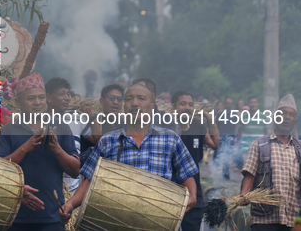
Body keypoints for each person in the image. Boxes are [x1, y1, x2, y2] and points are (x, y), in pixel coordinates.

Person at [60, 83, 198, 224]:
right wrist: (70, 204)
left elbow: (186, 175)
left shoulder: (170, 138)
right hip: (118, 222)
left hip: (159, 222)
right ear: (124, 107)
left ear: (152, 108)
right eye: (130, 99)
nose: (135, 103)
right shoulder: (108, 141)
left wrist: (192, 196)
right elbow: (90, 181)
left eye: (141, 98)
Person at [0, 72, 80, 231]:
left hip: (52, 217)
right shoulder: (8, 130)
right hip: (15, 217)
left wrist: (57, 149)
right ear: (19, 102)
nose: (38, 102)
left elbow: (75, 170)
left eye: (41, 97)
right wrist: (25, 148)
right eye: (31, 98)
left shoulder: (60, 127)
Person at [240, 94, 301, 231]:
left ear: (295, 122)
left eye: (291, 115)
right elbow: (249, 176)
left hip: (293, 219)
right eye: (283, 113)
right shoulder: (259, 145)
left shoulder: (299, 149)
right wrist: (244, 193)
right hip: (264, 218)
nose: (286, 117)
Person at [172, 90, 220, 231]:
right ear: (174, 107)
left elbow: (215, 144)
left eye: (190, 105)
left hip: (194, 189)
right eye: (183, 104)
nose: (187, 107)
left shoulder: (197, 126)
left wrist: (210, 119)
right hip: (171, 187)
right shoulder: (166, 127)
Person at [45, 77, 97, 192]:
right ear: (48, 97)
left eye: (68, 94)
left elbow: (97, 140)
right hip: (50, 187)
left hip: (73, 188)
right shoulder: (39, 121)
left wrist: (91, 116)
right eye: (61, 94)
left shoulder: (76, 117)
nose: (67, 98)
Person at [215, 97, 238, 179]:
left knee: (227, 156)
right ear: (225, 104)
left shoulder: (235, 114)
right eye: (227, 103)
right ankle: (218, 171)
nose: (229, 105)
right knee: (219, 155)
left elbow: (236, 127)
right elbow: (215, 126)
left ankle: (225, 173)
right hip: (221, 137)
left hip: (230, 138)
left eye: (230, 103)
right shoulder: (219, 113)